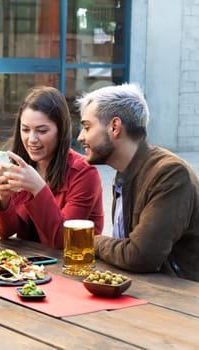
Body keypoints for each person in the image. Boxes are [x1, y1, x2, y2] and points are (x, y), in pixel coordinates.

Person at [77, 83, 199, 281]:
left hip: (176, 302)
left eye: (87, 127)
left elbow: (141, 255)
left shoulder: (170, 174)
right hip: (146, 291)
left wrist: (91, 240)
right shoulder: (126, 172)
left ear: (114, 127)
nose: (81, 137)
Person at [0, 86, 104, 249]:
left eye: (42, 131)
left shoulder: (84, 173)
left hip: (73, 266)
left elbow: (63, 242)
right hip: (30, 266)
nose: (31, 139)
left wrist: (38, 188)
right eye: (25, 129)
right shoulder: (22, 165)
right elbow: (6, 232)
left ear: (61, 131)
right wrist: (4, 198)